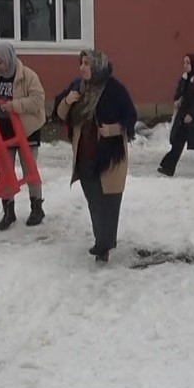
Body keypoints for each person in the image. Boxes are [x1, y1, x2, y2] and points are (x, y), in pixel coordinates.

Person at [56, 50, 137, 264]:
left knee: (108, 203)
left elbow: (131, 116)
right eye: (81, 63)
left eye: (86, 64)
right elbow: (59, 113)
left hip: (109, 158)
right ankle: (101, 240)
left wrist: (115, 129)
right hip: (84, 156)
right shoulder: (78, 86)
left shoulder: (115, 89)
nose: (81, 68)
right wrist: (67, 101)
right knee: (94, 202)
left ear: (97, 67)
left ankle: (104, 246)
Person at [0, 42, 47, 230]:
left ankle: (37, 207)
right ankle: (8, 212)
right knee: (5, 171)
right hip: (3, 130)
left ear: (9, 59)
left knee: (29, 169)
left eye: (0, 63)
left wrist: (14, 105)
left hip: (27, 129)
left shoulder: (27, 75)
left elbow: (38, 100)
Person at [159, 53, 194, 178]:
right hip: (185, 116)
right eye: (184, 62)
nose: (185, 66)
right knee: (178, 141)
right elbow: (179, 92)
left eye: (188, 63)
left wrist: (192, 114)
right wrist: (177, 99)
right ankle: (168, 167)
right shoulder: (185, 78)